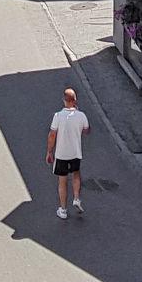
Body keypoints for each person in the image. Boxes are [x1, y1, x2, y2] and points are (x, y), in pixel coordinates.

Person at [47, 87, 89, 218]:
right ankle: (76, 198)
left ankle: (63, 210)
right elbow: (86, 130)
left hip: (61, 154)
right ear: (75, 100)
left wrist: (49, 151)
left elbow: (52, 135)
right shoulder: (81, 115)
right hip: (75, 152)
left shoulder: (58, 116)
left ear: (64, 101)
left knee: (62, 181)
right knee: (76, 175)